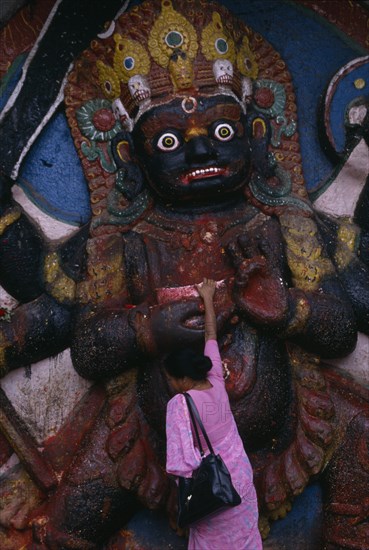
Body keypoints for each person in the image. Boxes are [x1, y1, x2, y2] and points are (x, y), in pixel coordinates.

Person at [165, 278, 262, 550]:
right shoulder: (216, 379)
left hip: (216, 489)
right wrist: (208, 297)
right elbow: (211, 336)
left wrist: (181, 500)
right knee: (244, 539)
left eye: (170, 379)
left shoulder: (179, 406)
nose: (170, 385)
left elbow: (181, 467)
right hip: (240, 477)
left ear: (181, 378)